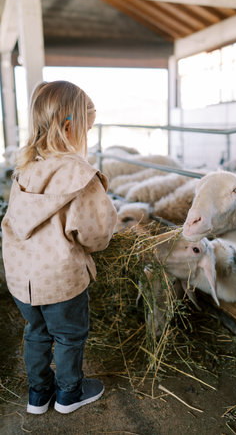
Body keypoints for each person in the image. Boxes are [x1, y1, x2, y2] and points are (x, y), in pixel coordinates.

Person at [1, 80, 117, 415]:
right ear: (69, 128)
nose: (87, 137)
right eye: (87, 129)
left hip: (22, 280)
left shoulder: (25, 168)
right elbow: (96, 233)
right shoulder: (80, 175)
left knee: (35, 333)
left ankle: (38, 394)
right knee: (68, 336)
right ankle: (69, 393)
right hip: (60, 280)